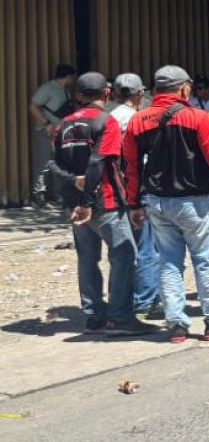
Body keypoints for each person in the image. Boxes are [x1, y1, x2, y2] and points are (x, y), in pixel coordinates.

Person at [123, 65, 209, 343]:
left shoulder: (138, 120)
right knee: (207, 261)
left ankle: (176, 325)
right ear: (183, 88)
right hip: (195, 203)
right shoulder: (197, 117)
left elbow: (131, 167)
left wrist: (133, 204)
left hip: (157, 203)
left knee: (168, 262)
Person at [47, 73, 157, 336]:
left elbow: (53, 165)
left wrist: (74, 184)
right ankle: (119, 317)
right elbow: (99, 161)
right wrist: (87, 200)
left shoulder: (63, 125)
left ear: (78, 95)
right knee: (124, 254)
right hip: (103, 201)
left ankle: (94, 316)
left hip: (74, 204)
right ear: (106, 94)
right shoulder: (105, 122)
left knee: (87, 258)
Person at [108, 73, 161, 319]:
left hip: (115, 187)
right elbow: (142, 158)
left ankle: (123, 299)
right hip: (137, 186)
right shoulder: (138, 119)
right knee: (146, 245)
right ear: (140, 94)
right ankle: (145, 302)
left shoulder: (109, 117)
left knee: (123, 246)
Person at [28, 64, 76, 207]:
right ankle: (38, 196)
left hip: (60, 132)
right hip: (46, 131)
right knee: (44, 163)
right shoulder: (47, 88)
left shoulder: (65, 91)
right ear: (68, 76)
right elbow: (33, 106)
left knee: (58, 164)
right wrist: (46, 123)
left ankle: (56, 195)